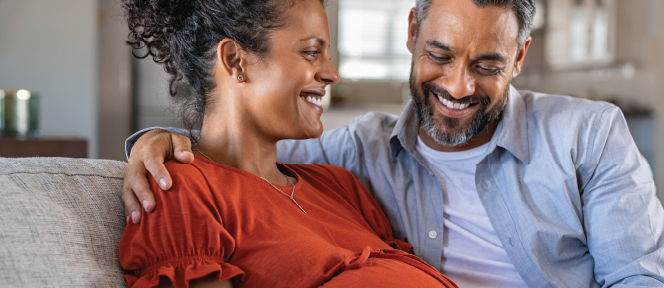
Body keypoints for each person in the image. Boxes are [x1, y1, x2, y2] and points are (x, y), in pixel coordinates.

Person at [123, 0, 664, 287]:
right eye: (440, 56)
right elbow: (227, 154)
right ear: (412, 32)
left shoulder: (586, 135)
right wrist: (154, 141)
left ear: (520, 58)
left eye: (488, 64)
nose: (458, 86)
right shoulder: (354, 154)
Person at [117, 0, 458, 287]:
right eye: (311, 52)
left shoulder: (339, 186)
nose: (331, 73)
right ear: (236, 60)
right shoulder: (182, 190)